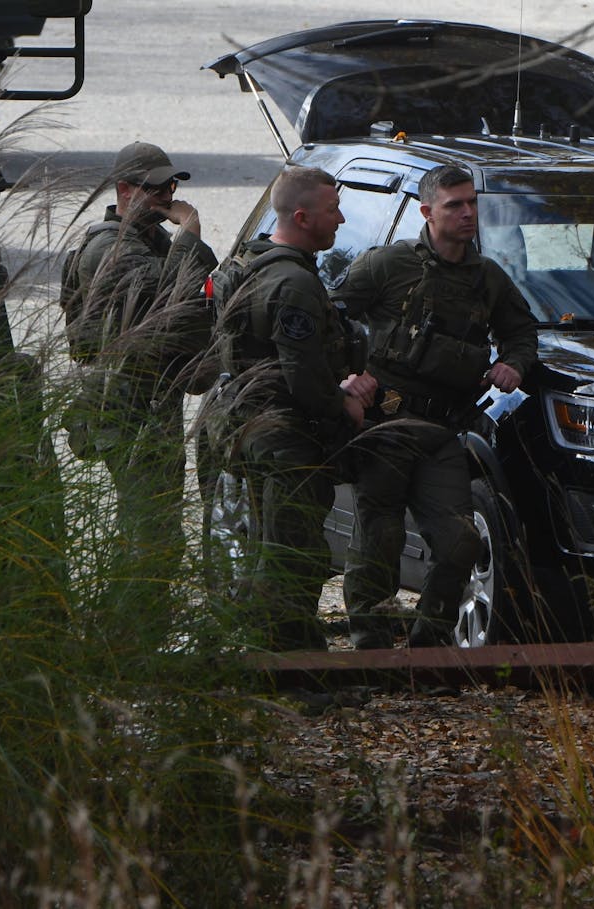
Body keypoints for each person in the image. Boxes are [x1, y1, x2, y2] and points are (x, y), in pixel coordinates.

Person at [332, 165, 538, 649]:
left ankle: (429, 647)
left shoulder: (486, 277)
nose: (468, 214)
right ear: (427, 212)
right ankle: (372, 646)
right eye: (454, 205)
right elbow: (333, 316)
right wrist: (348, 375)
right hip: (386, 426)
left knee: (461, 542)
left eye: (472, 203)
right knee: (378, 541)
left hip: (443, 432)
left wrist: (515, 363)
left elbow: (522, 332)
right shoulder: (386, 265)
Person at [206, 165, 376, 650]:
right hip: (284, 437)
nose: (341, 219)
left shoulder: (254, 266)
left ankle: (283, 661)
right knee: (292, 554)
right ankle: (289, 671)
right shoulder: (293, 283)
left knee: (273, 547)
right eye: (332, 210)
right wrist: (343, 406)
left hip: (251, 427)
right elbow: (301, 376)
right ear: (302, 217)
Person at [62, 141, 217, 646]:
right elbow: (164, 297)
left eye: (171, 187)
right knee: (150, 534)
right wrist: (190, 233)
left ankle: (136, 636)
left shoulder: (145, 241)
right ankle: (127, 642)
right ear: (125, 190)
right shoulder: (108, 248)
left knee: (155, 529)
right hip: (122, 410)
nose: (167, 197)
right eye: (156, 189)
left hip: (148, 407)